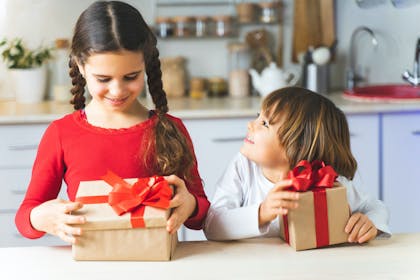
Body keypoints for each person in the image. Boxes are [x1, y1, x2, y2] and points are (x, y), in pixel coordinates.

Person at [15, 0, 210, 244]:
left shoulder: (171, 129)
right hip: (89, 266)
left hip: (158, 265)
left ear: (146, 65)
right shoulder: (61, 134)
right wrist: (39, 217)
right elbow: (25, 216)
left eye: (131, 76)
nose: (117, 91)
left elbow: (201, 215)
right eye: (103, 78)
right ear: (80, 66)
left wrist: (189, 204)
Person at [204, 87, 391, 243]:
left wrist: (371, 222)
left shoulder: (324, 180)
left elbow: (375, 206)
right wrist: (262, 213)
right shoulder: (243, 167)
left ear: (296, 146)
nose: (250, 125)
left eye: (265, 123)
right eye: (257, 116)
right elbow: (212, 225)